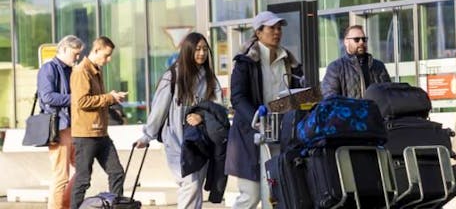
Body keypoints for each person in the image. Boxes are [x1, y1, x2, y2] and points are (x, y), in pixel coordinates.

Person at [226, 11, 305, 209]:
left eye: (279, 28)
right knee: (251, 196)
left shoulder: (290, 61)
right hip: (250, 135)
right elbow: (237, 97)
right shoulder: (246, 61)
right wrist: (255, 115)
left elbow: (298, 93)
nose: (277, 32)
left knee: (274, 195)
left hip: (280, 134)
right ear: (259, 32)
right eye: (272, 28)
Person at [135, 32, 223, 209]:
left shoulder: (210, 79)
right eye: (197, 49)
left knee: (195, 187)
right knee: (189, 185)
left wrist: (202, 116)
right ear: (188, 50)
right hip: (176, 142)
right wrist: (146, 136)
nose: (202, 53)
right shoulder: (173, 77)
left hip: (201, 143)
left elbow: (219, 109)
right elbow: (159, 109)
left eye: (205, 49)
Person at [69, 36, 128, 209]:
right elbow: (82, 102)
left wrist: (112, 98)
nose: (108, 60)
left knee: (117, 172)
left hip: (101, 133)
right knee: (83, 179)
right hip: (85, 135)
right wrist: (109, 97)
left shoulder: (96, 70)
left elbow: (96, 99)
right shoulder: (81, 71)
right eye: (106, 55)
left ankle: (115, 206)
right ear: (96, 50)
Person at [38, 35, 85, 209]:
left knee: (83, 171)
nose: (78, 57)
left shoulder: (72, 70)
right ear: (64, 49)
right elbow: (47, 97)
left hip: (74, 127)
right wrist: (76, 98)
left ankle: (66, 205)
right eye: (75, 53)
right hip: (59, 127)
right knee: (61, 176)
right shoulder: (49, 69)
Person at [320, 25, 391, 98]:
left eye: (364, 39)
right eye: (356, 39)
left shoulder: (378, 66)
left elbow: (389, 94)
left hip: (373, 109)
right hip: (350, 109)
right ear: (346, 42)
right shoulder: (336, 68)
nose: (361, 42)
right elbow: (330, 97)